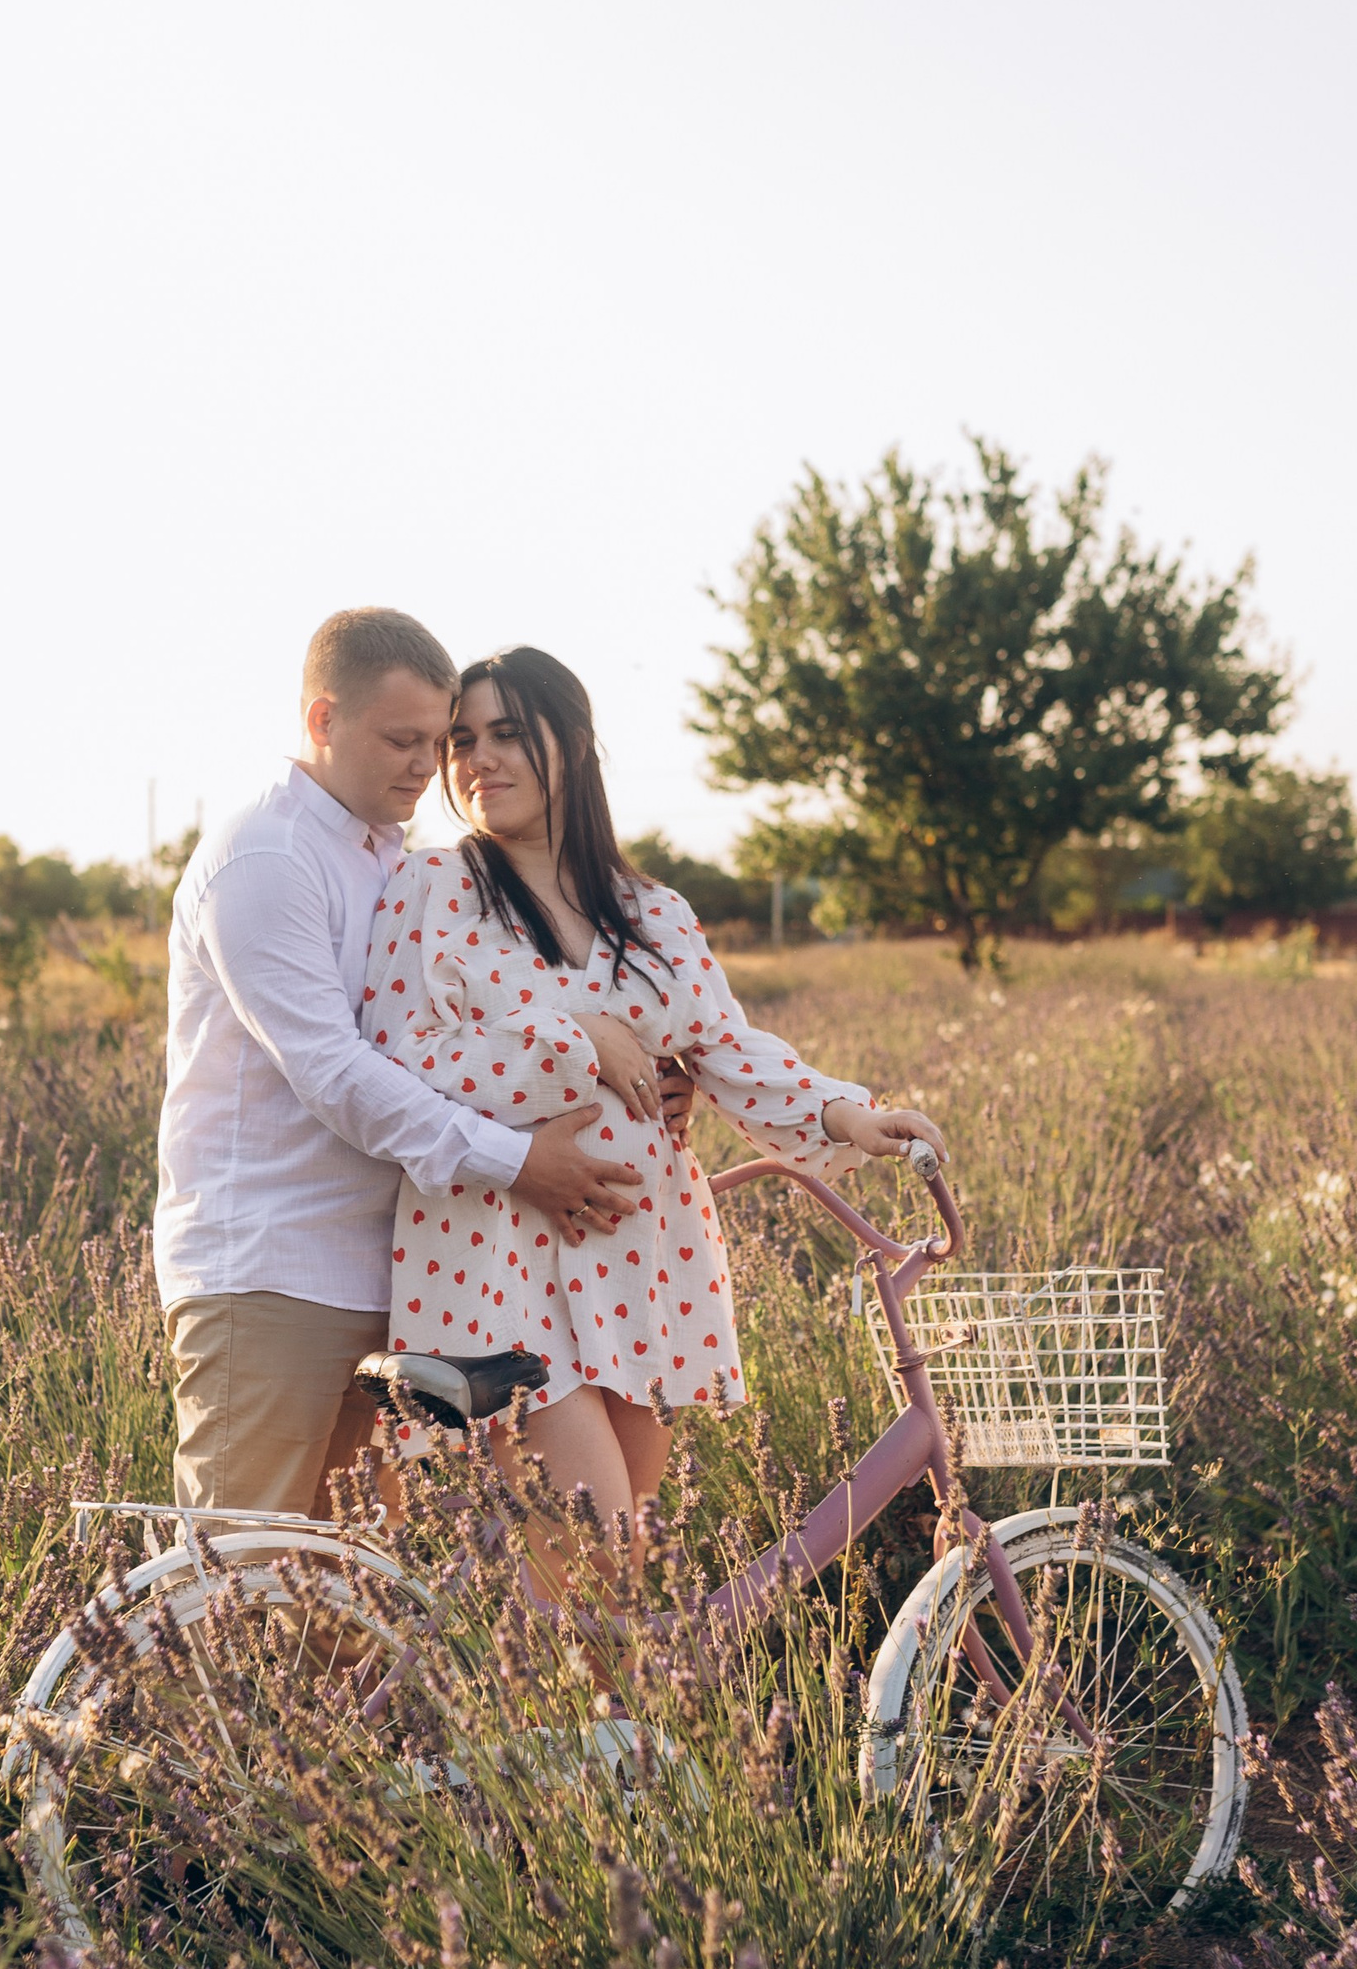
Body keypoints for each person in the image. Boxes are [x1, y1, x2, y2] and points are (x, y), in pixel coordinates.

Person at [359, 644, 948, 1570]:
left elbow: (727, 1047)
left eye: (509, 733)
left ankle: (572, 1721)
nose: (479, 760)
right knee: (607, 1558)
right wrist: (578, 1035)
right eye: (462, 740)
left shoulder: (655, 912)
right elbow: (404, 1057)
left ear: (577, 741)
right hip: (499, 1258)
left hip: (642, 1259)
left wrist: (848, 1115)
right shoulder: (433, 890)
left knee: (602, 1594)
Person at [153, 609, 644, 1521]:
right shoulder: (268, 856)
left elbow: (479, 1010)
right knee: (238, 1566)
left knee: (347, 1600)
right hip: (271, 1270)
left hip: (393, 1272)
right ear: (322, 721)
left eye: (439, 739)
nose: (430, 766)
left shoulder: (394, 863)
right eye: (403, 739)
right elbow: (335, 1073)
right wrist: (519, 1159)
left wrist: (611, 1045)